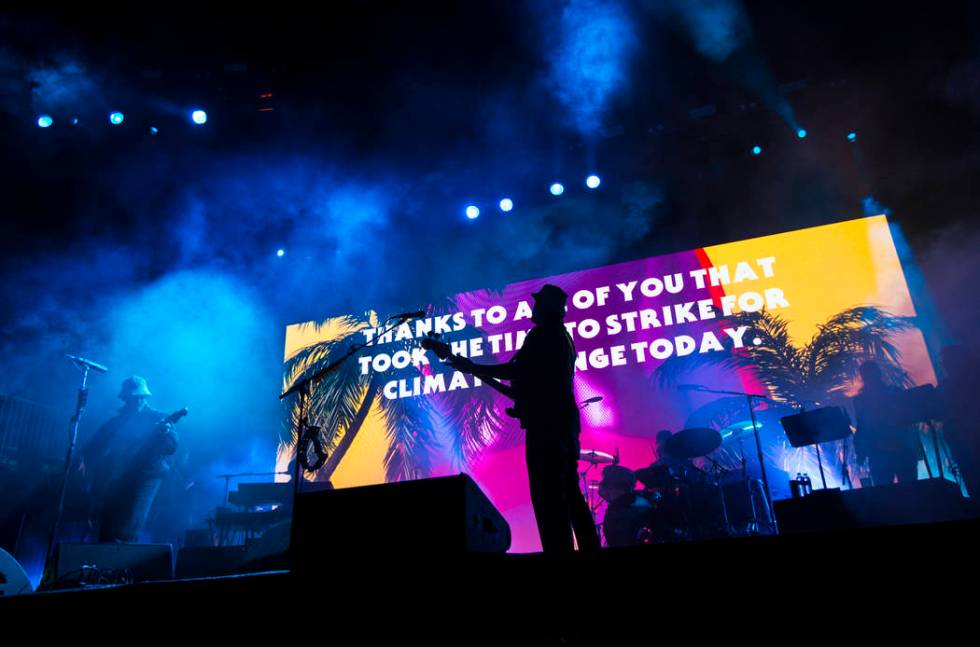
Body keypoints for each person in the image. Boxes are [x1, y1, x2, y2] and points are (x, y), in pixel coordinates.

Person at [452, 284, 601, 554]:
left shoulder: (543, 334)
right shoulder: (561, 336)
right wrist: (476, 371)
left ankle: (559, 550)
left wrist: (472, 366)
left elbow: (514, 371)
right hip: (561, 425)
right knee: (569, 492)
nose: (533, 308)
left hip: (548, 428)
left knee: (549, 495)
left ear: (546, 307)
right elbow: (525, 383)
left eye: (537, 303)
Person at [81, 376, 179, 543]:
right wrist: (82, 459)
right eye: (127, 398)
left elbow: (172, 448)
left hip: (146, 476)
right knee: (107, 523)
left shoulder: (160, 418)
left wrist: (165, 435)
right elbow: (94, 444)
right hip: (119, 475)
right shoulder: (117, 421)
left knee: (128, 526)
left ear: (143, 397)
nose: (129, 401)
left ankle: (122, 564)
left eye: (134, 397)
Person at [852, 361, 920, 485]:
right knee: (906, 491)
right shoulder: (892, 393)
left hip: (893, 450)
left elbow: (907, 419)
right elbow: (863, 426)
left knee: (897, 491)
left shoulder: (892, 393)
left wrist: (862, 452)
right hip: (886, 452)